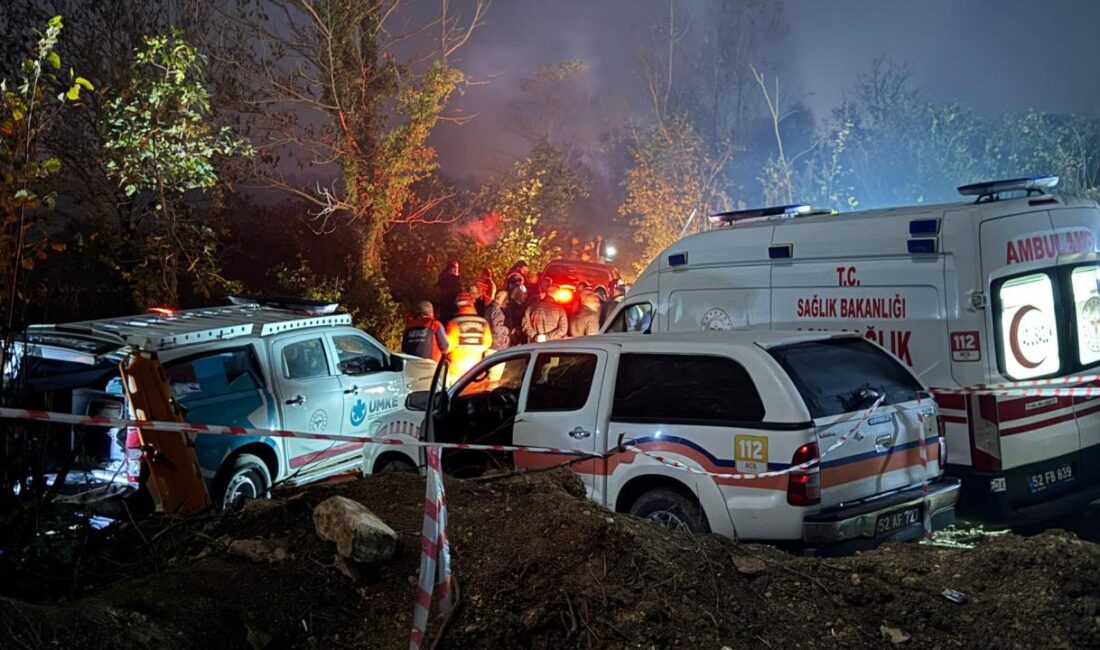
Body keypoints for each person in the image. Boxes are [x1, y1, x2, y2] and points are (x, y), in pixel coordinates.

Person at [445, 293, 492, 382]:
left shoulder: (453, 322)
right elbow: (488, 343)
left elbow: (448, 345)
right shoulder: (483, 322)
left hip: (457, 371)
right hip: (475, 369)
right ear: (472, 304)